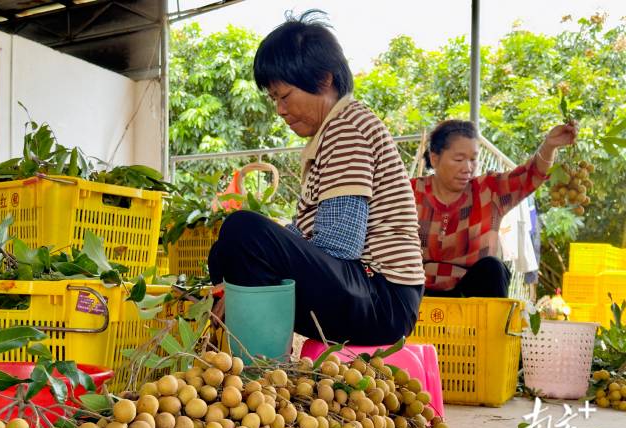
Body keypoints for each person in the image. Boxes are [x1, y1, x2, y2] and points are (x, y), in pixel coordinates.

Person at [207, 10, 425, 345]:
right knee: (227, 249)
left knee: (244, 231)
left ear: (323, 80)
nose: (279, 109)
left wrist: (264, 263)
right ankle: (255, 361)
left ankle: (260, 369)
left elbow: (339, 244)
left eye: (285, 96)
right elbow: (310, 237)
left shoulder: (346, 128)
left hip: (381, 292)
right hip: (371, 290)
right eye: (273, 99)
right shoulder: (330, 132)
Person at [411, 119, 577, 298]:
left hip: (471, 302)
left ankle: (494, 325)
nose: (467, 168)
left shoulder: (490, 190)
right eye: (459, 159)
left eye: (473, 159)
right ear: (435, 158)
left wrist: (550, 145)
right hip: (415, 298)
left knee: (493, 268)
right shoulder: (408, 192)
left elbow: (530, 175)